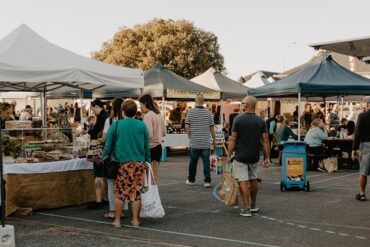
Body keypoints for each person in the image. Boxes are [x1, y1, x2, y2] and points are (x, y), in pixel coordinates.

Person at [101, 99, 150, 228]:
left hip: (121, 164)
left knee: (119, 193)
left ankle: (117, 221)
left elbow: (108, 145)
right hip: (138, 164)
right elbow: (146, 146)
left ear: (122, 112)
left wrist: (102, 156)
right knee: (135, 193)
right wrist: (147, 162)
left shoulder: (116, 125)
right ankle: (135, 221)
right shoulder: (142, 125)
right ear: (135, 112)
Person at [227, 96, 270, 217]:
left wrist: (229, 155)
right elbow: (266, 141)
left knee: (243, 181)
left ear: (247, 105)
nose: (241, 105)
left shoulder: (238, 119)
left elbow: (233, 139)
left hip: (241, 155)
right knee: (253, 178)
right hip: (254, 155)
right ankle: (253, 204)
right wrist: (267, 158)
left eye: (242, 103)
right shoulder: (261, 121)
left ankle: (246, 209)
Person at [100, 97, 124, 219]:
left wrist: (103, 154)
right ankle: (123, 210)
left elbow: (105, 139)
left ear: (114, 108)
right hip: (125, 156)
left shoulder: (109, 121)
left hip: (112, 157)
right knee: (123, 184)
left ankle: (113, 211)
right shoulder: (127, 120)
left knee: (111, 185)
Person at [185, 93, 216, 188]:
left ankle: (191, 180)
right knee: (206, 162)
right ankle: (207, 181)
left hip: (194, 142)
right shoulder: (208, 112)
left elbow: (187, 126)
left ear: (195, 101)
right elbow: (211, 128)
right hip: (205, 142)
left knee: (193, 162)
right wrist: (214, 139)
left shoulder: (191, 112)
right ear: (203, 102)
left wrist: (190, 136)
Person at [87, 99, 109, 209]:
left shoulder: (102, 117)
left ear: (96, 106)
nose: (92, 111)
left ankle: (98, 201)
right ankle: (105, 199)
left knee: (98, 175)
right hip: (106, 150)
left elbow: (98, 134)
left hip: (99, 149)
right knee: (104, 175)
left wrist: (90, 130)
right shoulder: (107, 116)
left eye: (92, 109)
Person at [139, 94, 166, 182]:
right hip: (158, 147)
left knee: (148, 178)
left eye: (141, 104)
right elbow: (164, 133)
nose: (140, 107)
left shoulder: (148, 116)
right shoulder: (159, 114)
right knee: (154, 177)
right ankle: (155, 195)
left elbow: (149, 135)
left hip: (150, 149)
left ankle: (150, 196)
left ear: (145, 103)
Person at [352, 96, 370, 202]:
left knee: (363, 171)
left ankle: (362, 194)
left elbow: (357, 133)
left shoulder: (362, 116)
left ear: (368, 104)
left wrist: (354, 148)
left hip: (366, 145)